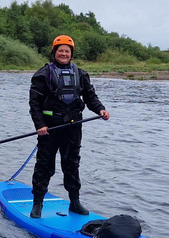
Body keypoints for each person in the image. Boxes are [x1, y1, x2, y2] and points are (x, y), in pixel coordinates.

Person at [28, 35, 110, 218]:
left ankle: (74, 202)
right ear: (54, 52)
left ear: (71, 54)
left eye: (67, 51)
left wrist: (101, 110)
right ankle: (37, 204)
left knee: (72, 164)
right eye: (60, 51)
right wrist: (39, 125)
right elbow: (34, 104)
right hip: (49, 129)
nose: (64, 54)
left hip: (73, 126)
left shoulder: (80, 74)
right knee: (44, 165)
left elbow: (90, 97)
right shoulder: (42, 74)